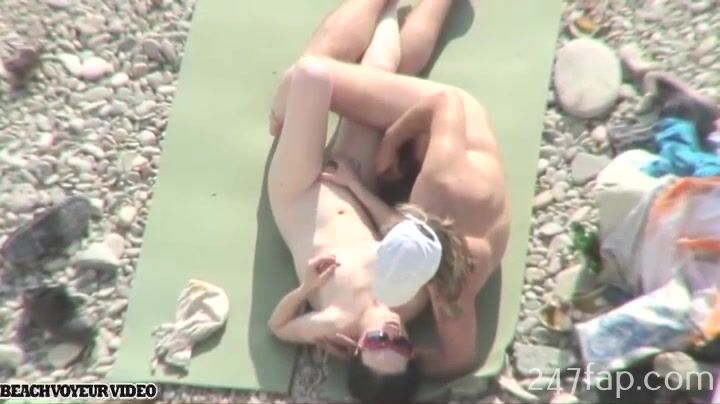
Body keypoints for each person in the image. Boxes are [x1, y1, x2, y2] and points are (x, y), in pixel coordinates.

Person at [266, 1, 456, 402]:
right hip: (352, 181)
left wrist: (304, 290)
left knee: (313, 75)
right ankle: (392, 11)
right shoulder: (412, 298)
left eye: (377, 343)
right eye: (401, 346)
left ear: (356, 349)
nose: (391, 335)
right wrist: (356, 187)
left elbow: (278, 328)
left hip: (297, 193)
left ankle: (280, 111)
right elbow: (402, 230)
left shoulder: (334, 320)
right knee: (383, 72)